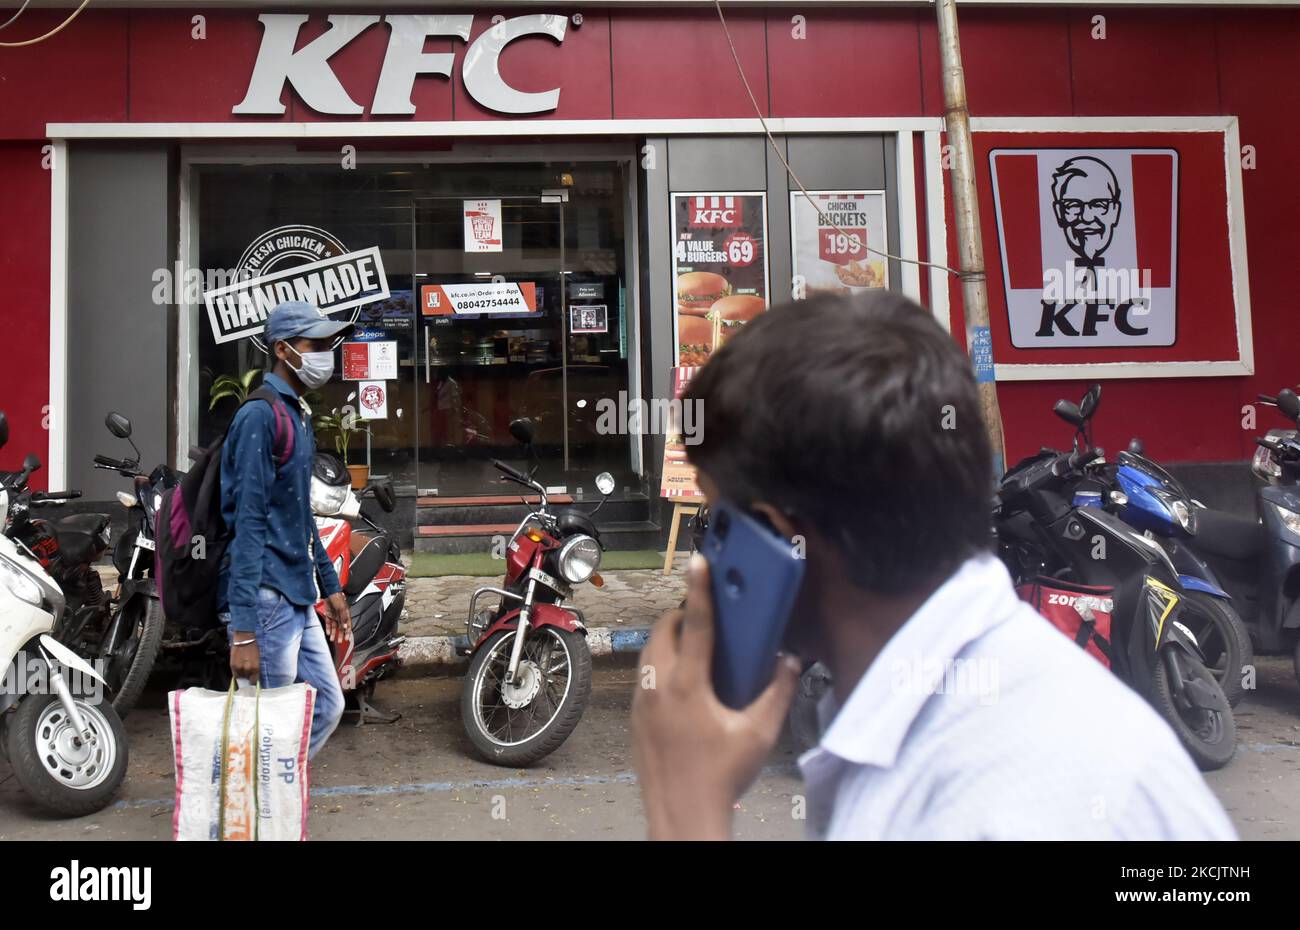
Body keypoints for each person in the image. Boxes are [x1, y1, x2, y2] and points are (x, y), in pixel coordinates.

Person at [631, 290, 1235, 840]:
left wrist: (688, 813)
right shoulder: (898, 716)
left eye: (721, 525)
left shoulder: (1033, 795)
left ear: (781, 536)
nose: (701, 569)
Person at [221, 300, 352, 759]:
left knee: (327, 705)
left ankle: (273, 795)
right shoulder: (259, 417)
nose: (326, 353)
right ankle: (254, 812)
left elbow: (300, 515)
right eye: (315, 344)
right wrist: (243, 631)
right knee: (267, 729)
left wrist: (331, 587)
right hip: (266, 599)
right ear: (283, 349)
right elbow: (248, 524)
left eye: (328, 343)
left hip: (297, 594)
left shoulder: (295, 412)